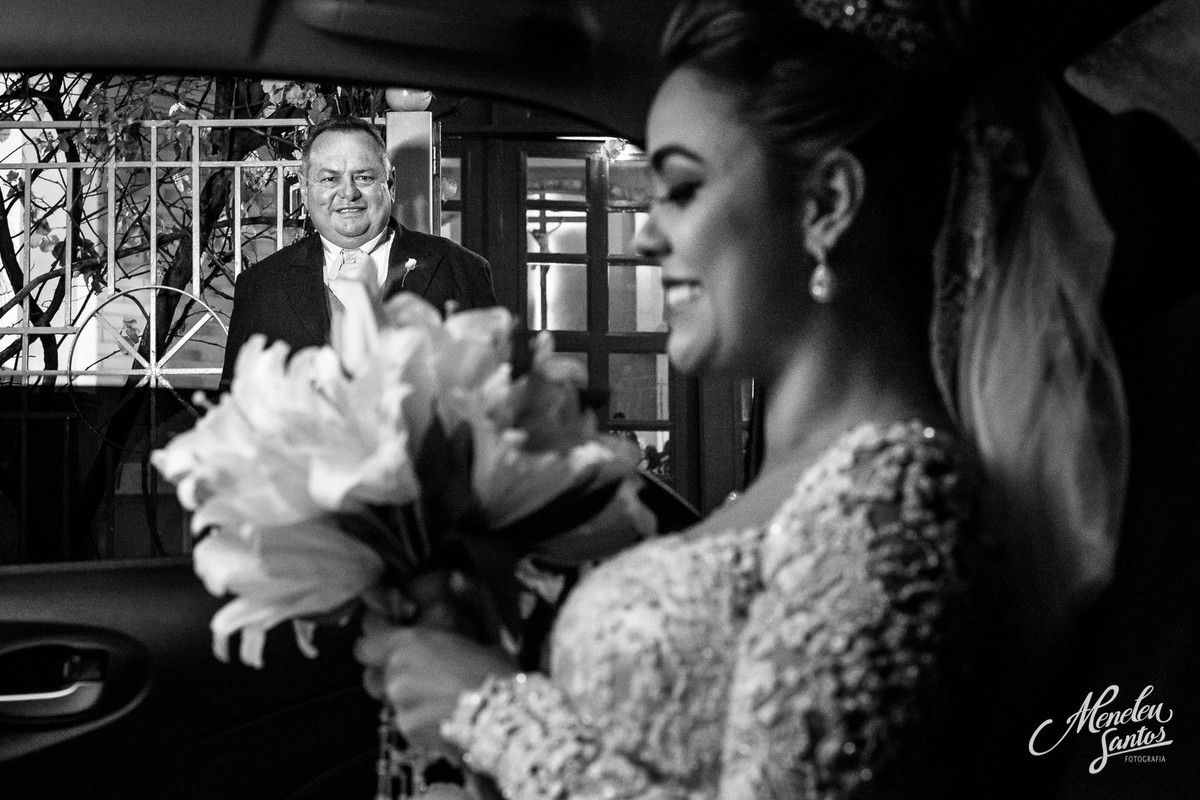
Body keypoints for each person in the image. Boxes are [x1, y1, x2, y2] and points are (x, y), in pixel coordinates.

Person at [355, 1, 1130, 797]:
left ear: (827, 204)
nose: (645, 235)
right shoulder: (801, 486)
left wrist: (491, 712)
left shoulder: (897, 494)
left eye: (682, 189)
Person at [219, 115, 498, 390]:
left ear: (390, 184)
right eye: (330, 179)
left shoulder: (461, 268)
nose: (348, 193)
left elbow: (493, 392)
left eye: (363, 177)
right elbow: (234, 404)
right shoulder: (261, 285)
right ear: (304, 188)